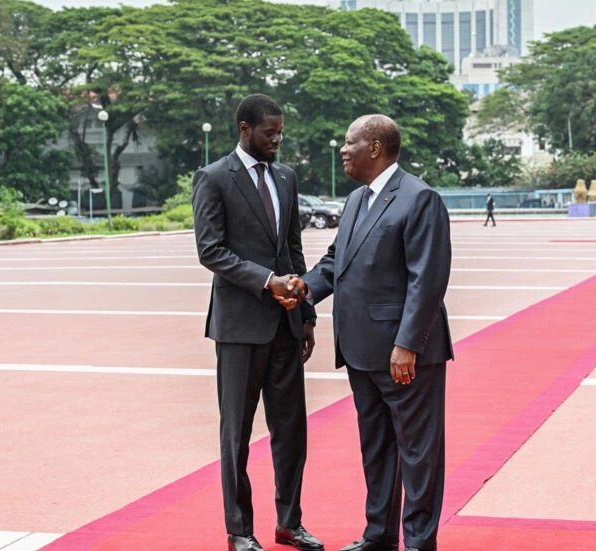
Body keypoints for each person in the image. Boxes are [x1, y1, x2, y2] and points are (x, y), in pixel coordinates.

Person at [291, 114, 453, 551]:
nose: (342, 150)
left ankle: (419, 542)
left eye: (349, 143)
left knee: (418, 454)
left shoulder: (419, 199)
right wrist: (304, 289)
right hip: (361, 351)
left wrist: (407, 345)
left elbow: (428, 279)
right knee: (377, 448)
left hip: (406, 356)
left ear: (375, 148)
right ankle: (379, 536)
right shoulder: (357, 200)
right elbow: (334, 261)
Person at [192, 93, 323, 551]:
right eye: (270, 132)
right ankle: (239, 531)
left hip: (286, 327)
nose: (278, 139)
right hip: (240, 328)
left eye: (281, 132)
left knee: (292, 431)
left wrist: (305, 312)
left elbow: (294, 249)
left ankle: (290, 523)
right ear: (244, 129)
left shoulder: (286, 178)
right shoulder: (213, 178)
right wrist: (268, 282)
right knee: (237, 435)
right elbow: (211, 251)